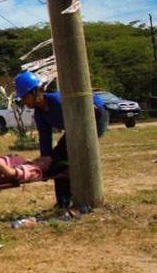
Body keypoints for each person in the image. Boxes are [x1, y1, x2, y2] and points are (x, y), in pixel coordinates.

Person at [13, 71, 109, 208]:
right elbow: (45, 137)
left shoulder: (59, 102)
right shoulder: (39, 113)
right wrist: (46, 161)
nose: (24, 101)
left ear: (36, 93)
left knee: (77, 156)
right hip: (75, 127)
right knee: (56, 162)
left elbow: (86, 117)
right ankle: (62, 204)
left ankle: (89, 200)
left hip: (95, 116)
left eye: (25, 97)